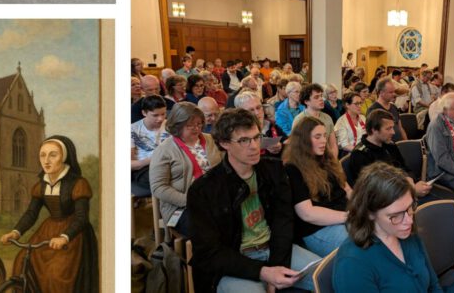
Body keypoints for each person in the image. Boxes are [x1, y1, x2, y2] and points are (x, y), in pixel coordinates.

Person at [187, 108, 321, 292]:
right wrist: (263, 272)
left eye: (256, 137)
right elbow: (210, 252)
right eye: (244, 140)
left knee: (329, 276)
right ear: (224, 143)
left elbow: (283, 221)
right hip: (235, 260)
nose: (254, 146)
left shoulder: (274, 170)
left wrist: (275, 266)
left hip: (274, 249)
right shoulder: (204, 189)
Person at [0, 136, 98, 293]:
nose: (46, 160)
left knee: (56, 274)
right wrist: (15, 232)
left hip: (73, 234)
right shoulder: (41, 185)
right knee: (21, 261)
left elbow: (82, 218)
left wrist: (64, 237)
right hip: (48, 230)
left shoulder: (78, 184)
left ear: (64, 157)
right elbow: (31, 213)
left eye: (53, 155)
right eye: (42, 155)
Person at [332, 162, 449, 292]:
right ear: (370, 213)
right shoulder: (352, 265)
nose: (409, 221)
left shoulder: (406, 232)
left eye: (410, 207)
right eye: (395, 215)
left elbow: (433, 285)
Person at [149, 102, 223, 236]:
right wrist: (191, 200)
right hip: (181, 206)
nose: (196, 128)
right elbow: (158, 187)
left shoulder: (211, 140)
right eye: (190, 125)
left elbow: (225, 167)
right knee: (208, 228)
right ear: (177, 125)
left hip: (215, 198)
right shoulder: (164, 150)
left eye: (199, 124)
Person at [283, 116, 351, 256]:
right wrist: (350, 217)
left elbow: (347, 189)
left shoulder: (328, 159)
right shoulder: (293, 168)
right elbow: (308, 214)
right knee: (359, 245)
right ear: (304, 140)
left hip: (343, 215)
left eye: (325, 136)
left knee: (382, 229)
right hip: (318, 228)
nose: (323, 141)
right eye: (317, 137)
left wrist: (365, 207)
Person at [129, 95, 169, 197]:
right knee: (163, 178)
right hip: (144, 169)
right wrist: (151, 159)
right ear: (144, 113)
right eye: (155, 115)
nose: (160, 119)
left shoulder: (170, 126)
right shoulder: (132, 130)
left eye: (163, 114)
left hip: (169, 163)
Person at [292, 83, 338, 157]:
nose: (321, 99)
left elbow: (333, 145)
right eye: (316, 97)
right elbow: (296, 147)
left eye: (321, 96)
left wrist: (333, 161)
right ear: (306, 101)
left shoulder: (327, 118)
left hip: (326, 159)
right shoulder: (299, 119)